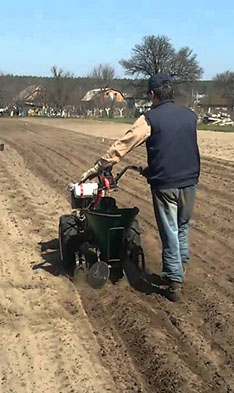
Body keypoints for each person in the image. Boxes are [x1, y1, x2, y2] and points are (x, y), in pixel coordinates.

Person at [80, 73, 200, 301]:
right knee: (182, 227)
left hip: (166, 185)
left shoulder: (149, 119)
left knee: (170, 230)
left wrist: (99, 166)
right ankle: (180, 269)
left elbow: (123, 145)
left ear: (152, 94)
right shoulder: (190, 116)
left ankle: (174, 280)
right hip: (190, 180)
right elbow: (176, 146)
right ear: (172, 92)